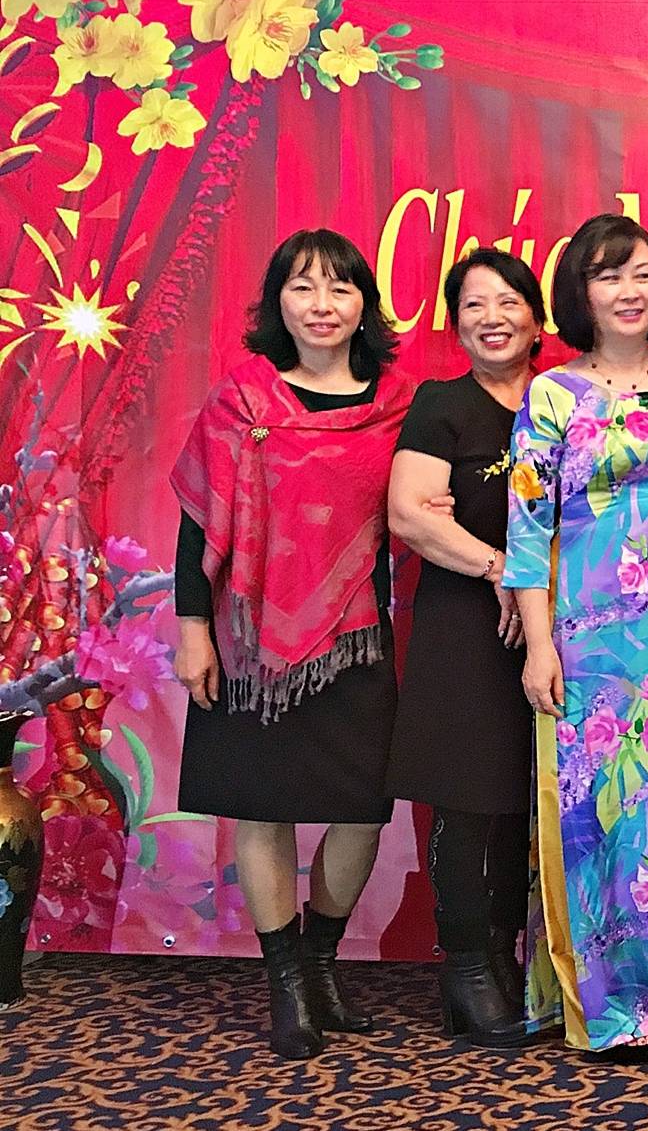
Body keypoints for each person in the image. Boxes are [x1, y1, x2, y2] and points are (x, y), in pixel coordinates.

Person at [172, 229, 412, 1059]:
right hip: (249, 645)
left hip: (356, 637)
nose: (321, 305)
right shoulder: (241, 401)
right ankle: (286, 983)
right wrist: (193, 630)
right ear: (278, 301)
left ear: (363, 303)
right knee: (262, 806)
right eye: (302, 287)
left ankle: (319, 963)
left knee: (363, 812)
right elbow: (197, 522)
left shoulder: (397, 406)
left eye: (339, 288)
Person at [504, 214, 648, 1060]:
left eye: (641, 273)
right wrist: (538, 644)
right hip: (592, 637)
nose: (629, 291)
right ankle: (618, 1002)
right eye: (608, 275)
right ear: (580, 292)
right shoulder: (553, 394)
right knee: (606, 809)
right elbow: (527, 531)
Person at [386, 248, 543, 1049]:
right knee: (468, 798)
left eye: (508, 301)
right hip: (463, 624)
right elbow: (410, 514)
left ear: (537, 319)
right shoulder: (441, 404)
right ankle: (468, 968)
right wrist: (499, 569)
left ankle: (511, 957)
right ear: (456, 325)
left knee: (524, 799)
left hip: (558, 626)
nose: (492, 317)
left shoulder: (564, 399)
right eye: (474, 304)